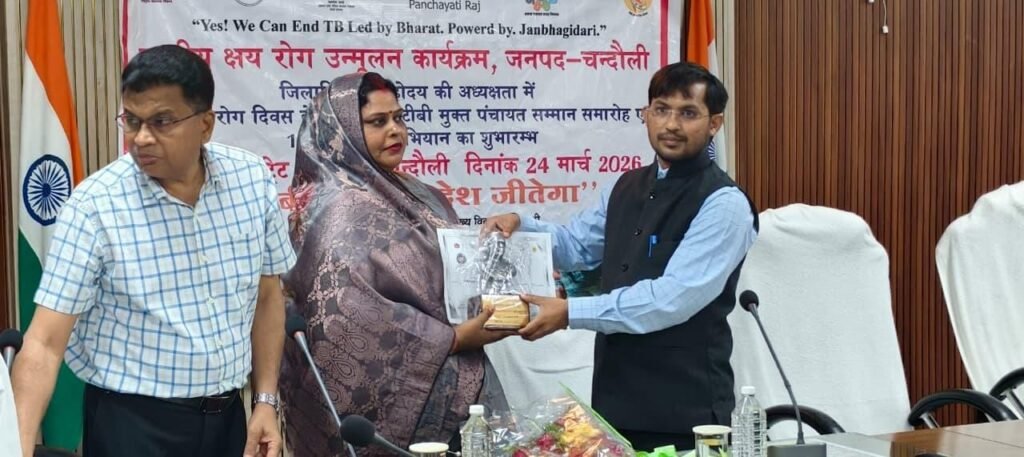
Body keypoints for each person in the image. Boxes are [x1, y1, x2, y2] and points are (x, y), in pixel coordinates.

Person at [11, 44, 296, 457]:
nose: (141, 138)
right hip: (133, 426)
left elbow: (268, 297)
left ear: (205, 125)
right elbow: (43, 343)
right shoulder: (95, 206)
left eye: (161, 121)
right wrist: (17, 447)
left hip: (228, 418)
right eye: (132, 120)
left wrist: (265, 400)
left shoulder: (252, 181)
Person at [482, 62, 759, 451]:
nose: (671, 124)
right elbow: (576, 246)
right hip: (615, 403)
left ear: (714, 124)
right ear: (646, 114)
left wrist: (569, 313)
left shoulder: (724, 204)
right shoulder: (624, 186)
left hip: (687, 413)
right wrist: (519, 225)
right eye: (661, 109)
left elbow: (670, 300)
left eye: (688, 113)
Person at [279, 72, 511, 456]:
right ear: (343, 133)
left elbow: (453, 270)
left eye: (399, 118)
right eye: (377, 121)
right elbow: (346, 316)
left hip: (459, 379)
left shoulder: (419, 194)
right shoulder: (338, 210)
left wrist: (506, 279)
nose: (395, 130)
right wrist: (454, 339)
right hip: (400, 406)